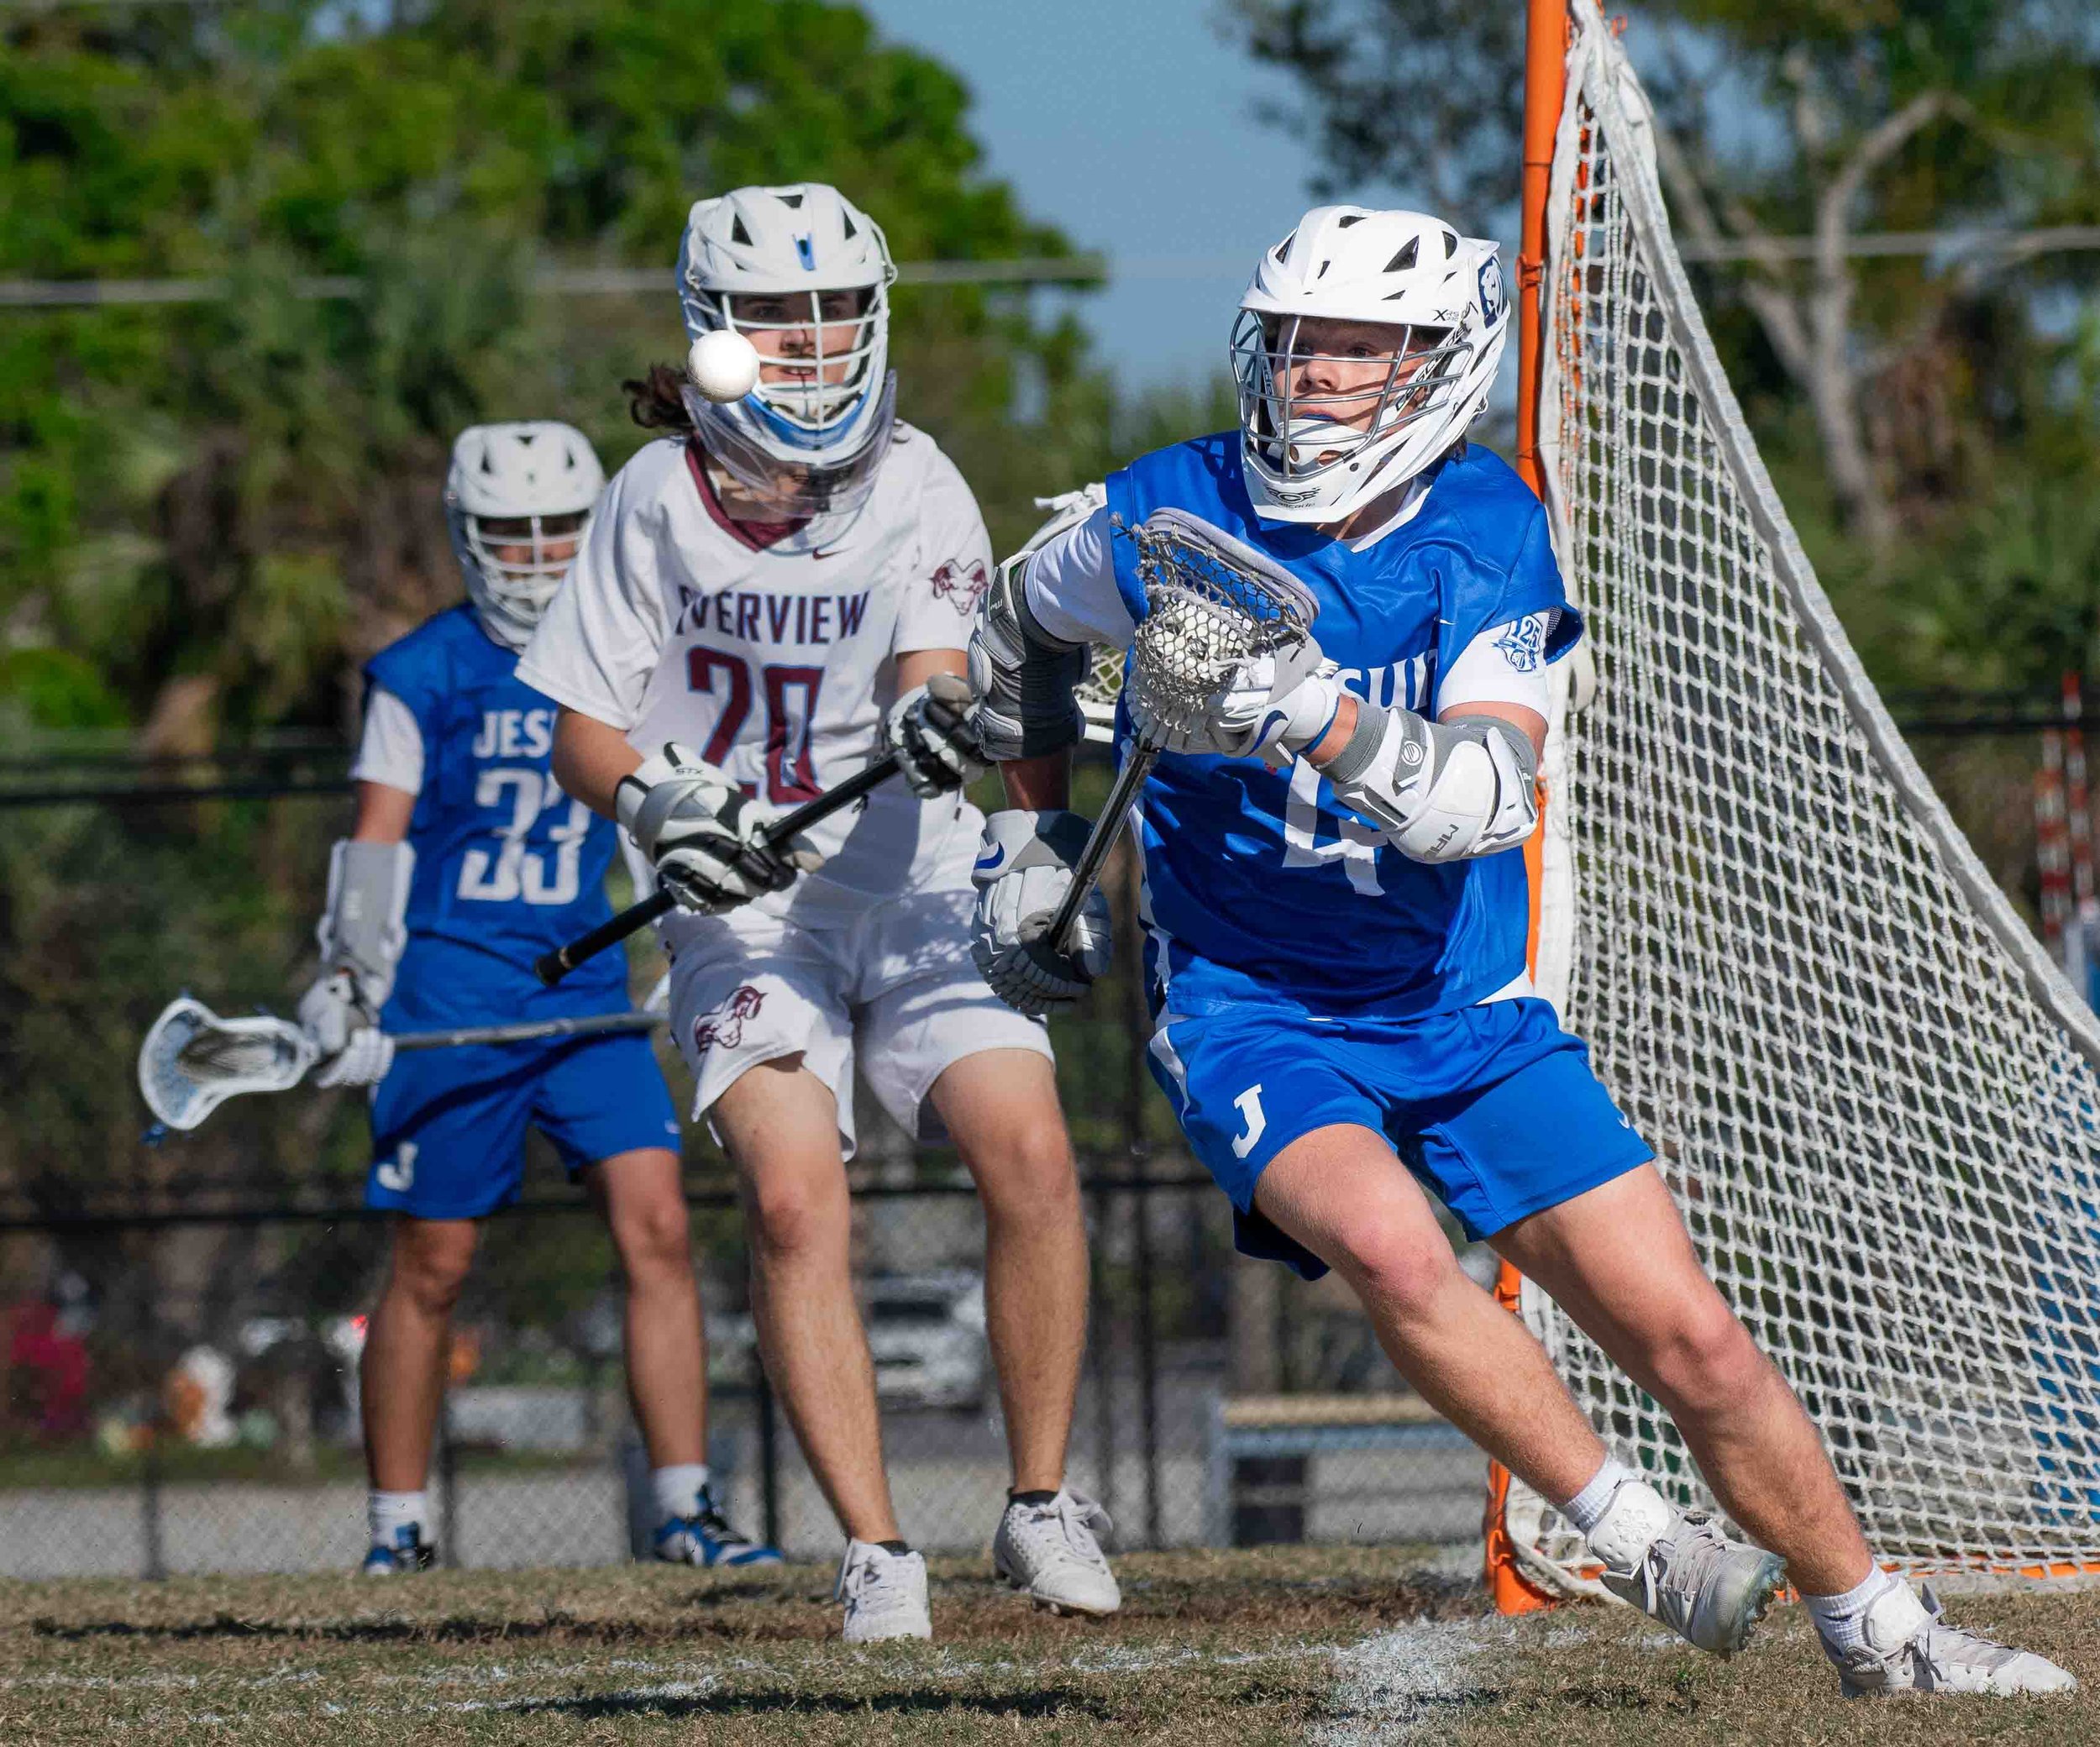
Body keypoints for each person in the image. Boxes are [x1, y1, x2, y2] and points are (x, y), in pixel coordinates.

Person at [966, 203, 2076, 1697]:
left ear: (1443, 364)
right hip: (1249, 1001)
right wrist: (1037, 841)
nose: (1315, 374)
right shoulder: (1171, 515)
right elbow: (1014, 626)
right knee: (1387, 1245)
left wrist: (1307, 709)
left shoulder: (1487, 532)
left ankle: (1886, 1632)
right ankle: (1636, 1536)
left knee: (1697, 1342)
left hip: (1458, 1001)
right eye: (1296, 342)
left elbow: (1479, 803)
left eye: (1360, 346)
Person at [517, 183, 1115, 1644]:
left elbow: (933, 669)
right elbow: (581, 729)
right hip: (745, 907)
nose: (814, 339)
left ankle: (1040, 1505)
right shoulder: (654, 496)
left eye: (838, 308)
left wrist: (932, 718)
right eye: (777, 316)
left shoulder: (919, 478)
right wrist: (659, 804)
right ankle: (877, 1551)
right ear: (712, 328)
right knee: (792, 1199)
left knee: (1031, 1154)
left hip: (914, 880)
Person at [300, 420, 778, 1576]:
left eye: (555, 529)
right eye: (507, 532)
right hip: (452, 992)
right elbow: (378, 837)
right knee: (434, 1264)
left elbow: (679, 798)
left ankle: (685, 1506)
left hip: (586, 990)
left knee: (659, 1227)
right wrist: (350, 977)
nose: (531, 553)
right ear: (466, 534)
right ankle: (399, 1528)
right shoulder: (424, 671)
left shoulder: (630, 651)